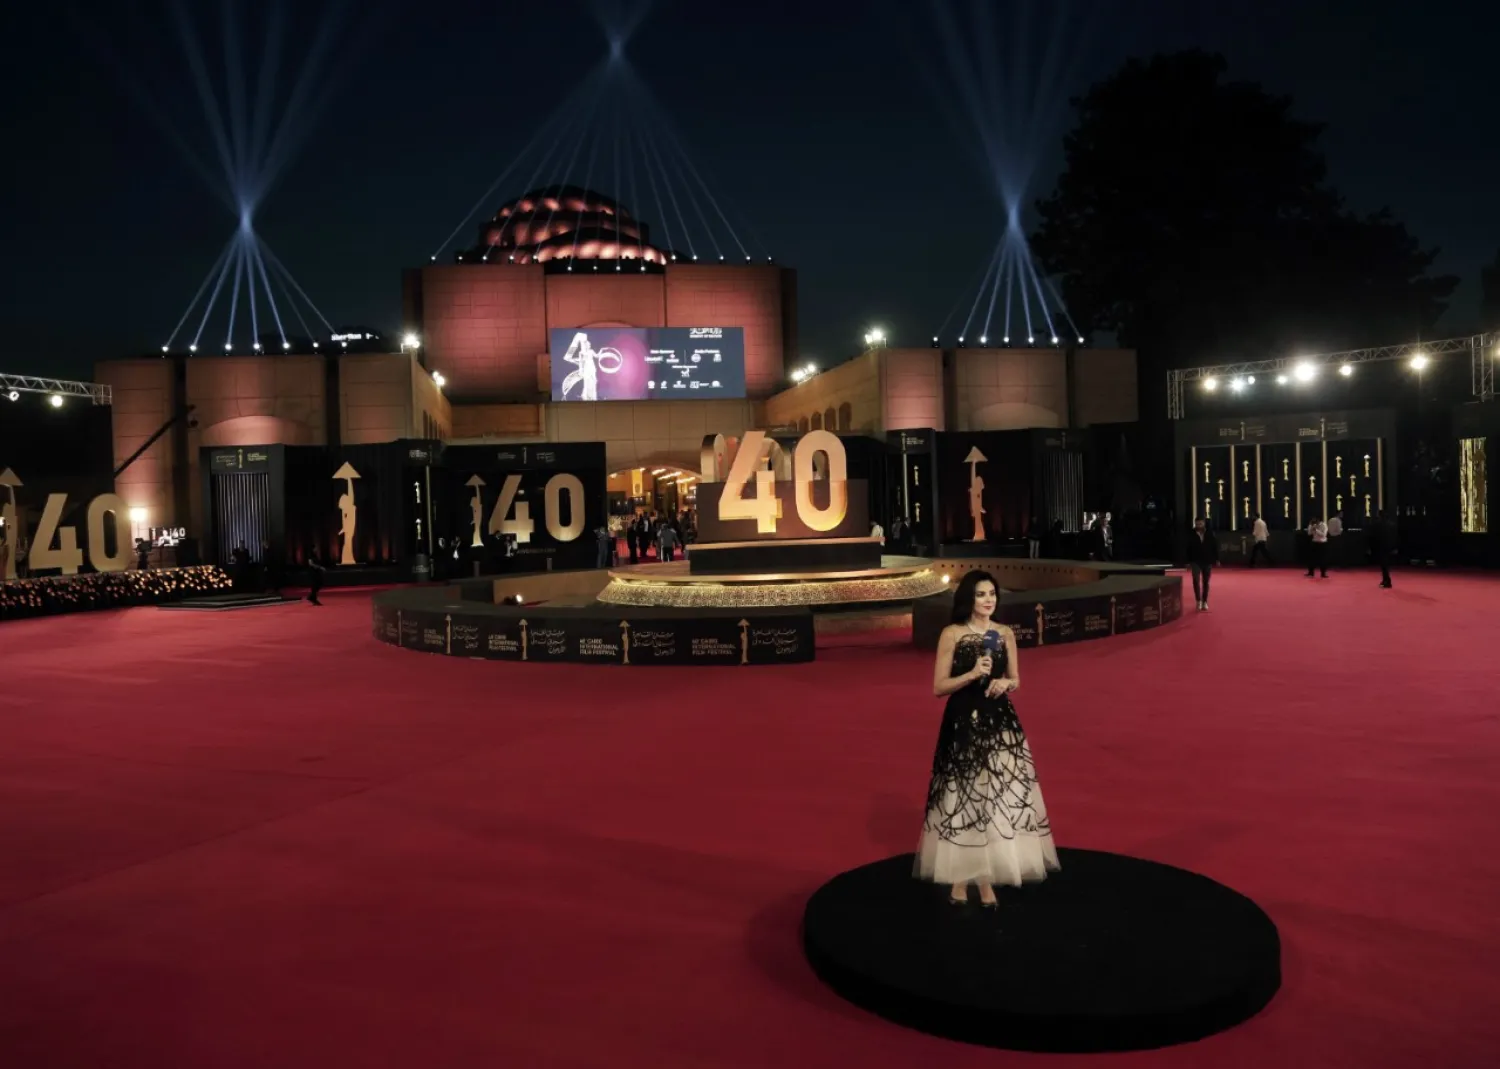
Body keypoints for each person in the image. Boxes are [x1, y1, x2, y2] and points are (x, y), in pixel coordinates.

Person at [916, 570, 1060, 907]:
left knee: (996, 797)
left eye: (992, 593)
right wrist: (971, 674)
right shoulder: (952, 634)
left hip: (1000, 721)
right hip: (963, 721)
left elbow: (1016, 679)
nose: (989, 600)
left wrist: (1005, 684)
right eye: (981, 594)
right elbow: (938, 687)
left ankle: (986, 877)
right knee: (966, 797)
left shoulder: (1004, 633)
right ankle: (962, 877)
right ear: (969, 598)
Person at [1187, 516, 1218, 611]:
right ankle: (1198, 601)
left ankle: (1205, 601)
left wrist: (1217, 559)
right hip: (1195, 561)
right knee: (1196, 580)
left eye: (1200, 524)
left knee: (1206, 582)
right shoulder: (1191, 534)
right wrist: (1187, 561)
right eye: (1197, 524)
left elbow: (1215, 546)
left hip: (1207, 560)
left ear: (1204, 523)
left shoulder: (1210, 533)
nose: (1199, 526)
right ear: (1195, 524)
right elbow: (1187, 548)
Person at [1370, 509, 1394, 588]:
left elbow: (1374, 537)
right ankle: (1385, 580)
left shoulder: (1378, 525)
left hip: (1381, 547)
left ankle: (1387, 581)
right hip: (1388, 547)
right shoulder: (1391, 524)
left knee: (1384, 565)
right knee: (1385, 564)